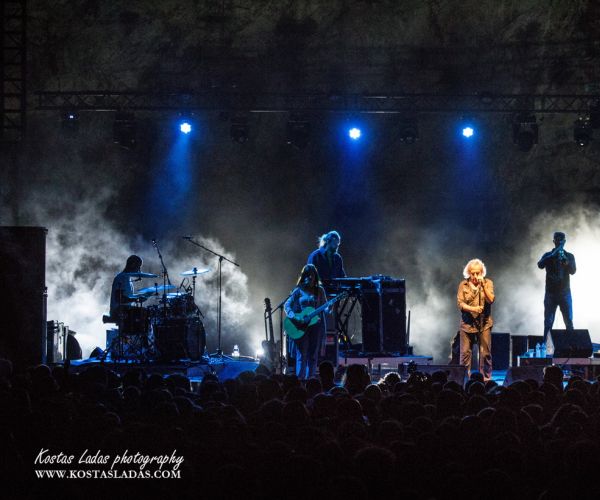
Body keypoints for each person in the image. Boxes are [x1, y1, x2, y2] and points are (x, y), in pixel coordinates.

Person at [284, 264, 327, 379]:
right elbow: (287, 305)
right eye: (307, 275)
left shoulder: (320, 291)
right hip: (301, 327)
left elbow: (325, 307)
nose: (309, 278)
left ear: (315, 277)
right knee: (301, 355)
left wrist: (329, 307)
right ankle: (300, 381)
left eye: (311, 275)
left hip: (315, 326)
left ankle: (311, 380)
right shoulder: (298, 291)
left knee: (313, 355)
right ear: (303, 277)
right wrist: (294, 316)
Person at [457, 258, 495, 382]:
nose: (475, 276)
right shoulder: (463, 285)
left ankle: (486, 380)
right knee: (465, 355)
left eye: (477, 273)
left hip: (484, 324)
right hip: (467, 324)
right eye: (472, 273)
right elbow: (460, 304)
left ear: (481, 272)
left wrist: (483, 286)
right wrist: (473, 308)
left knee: (485, 354)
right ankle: (464, 381)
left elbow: (491, 300)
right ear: (468, 273)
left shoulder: (488, 283)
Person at [537, 231, 576, 341]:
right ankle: (545, 348)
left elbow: (573, 271)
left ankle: (572, 348)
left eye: (561, 241)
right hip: (551, 294)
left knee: (569, 322)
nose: (559, 243)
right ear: (554, 241)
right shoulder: (547, 255)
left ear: (565, 242)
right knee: (548, 323)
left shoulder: (569, 256)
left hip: (565, 293)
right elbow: (540, 264)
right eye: (557, 240)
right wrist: (552, 255)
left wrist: (566, 261)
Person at [109, 254, 144, 320]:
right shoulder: (121, 278)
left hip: (125, 310)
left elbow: (127, 296)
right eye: (138, 266)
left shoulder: (127, 278)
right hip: (118, 312)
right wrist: (135, 299)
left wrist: (139, 297)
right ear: (132, 264)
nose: (139, 270)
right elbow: (118, 298)